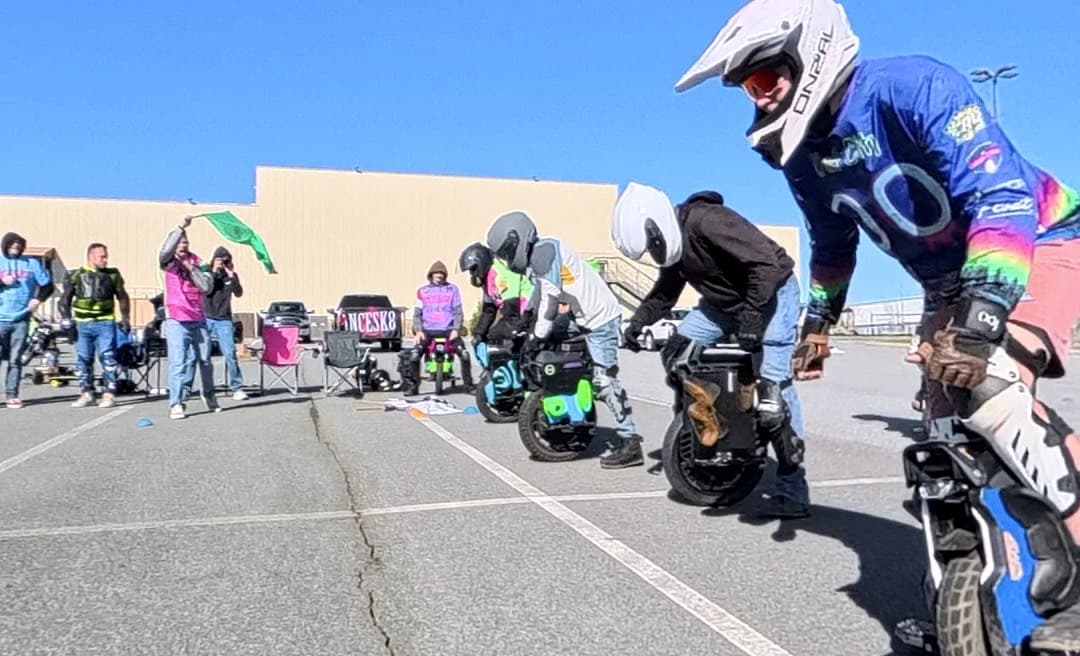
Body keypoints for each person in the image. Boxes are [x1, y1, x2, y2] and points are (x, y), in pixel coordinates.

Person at [673, 0, 1080, 647]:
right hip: (946, 281)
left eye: (763, 79)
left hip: (1040, 238)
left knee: (996, 384)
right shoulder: (805, 155)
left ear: (809, 52)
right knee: (945, 439)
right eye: (749, 89)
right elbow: (831, 242)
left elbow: (1000, 197)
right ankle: (967, 590)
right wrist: (818, 321)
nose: (759, 99)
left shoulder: (913, 87)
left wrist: (980, 321)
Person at [611, 182, 809, 516]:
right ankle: (701, 417)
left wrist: (751, 317)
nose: (654, 253)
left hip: (772, 295)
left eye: (652, 245)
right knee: (677, 350)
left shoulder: (707, 220)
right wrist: (638, 322)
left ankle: (793, 489)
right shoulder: (676, 248)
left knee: (774, 388)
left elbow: (766, 265)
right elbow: (666, 290)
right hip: (724, 304)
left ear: (656, 224)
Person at [486, 210, 645, 469]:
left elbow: (549, 299)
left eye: (507, 250)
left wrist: (537, 334)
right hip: (581, 316)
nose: (506, 257)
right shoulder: (539, 256)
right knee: (556, 355)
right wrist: (527, 317)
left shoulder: (544, 251)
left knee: (605, 380)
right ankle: (572, 399)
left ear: (517, 239)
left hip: (600, 319)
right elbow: (538, 291)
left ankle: (630, 442)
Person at [159, 216, 219, 419]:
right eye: (179, 241)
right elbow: (164, 251)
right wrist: (180, 227)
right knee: (179, 361)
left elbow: (206, 286)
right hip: (176, 317)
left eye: (185, 241)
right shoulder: (168, 262)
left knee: (204, 359)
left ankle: (209, 394)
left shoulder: (198, 262)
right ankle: (177, 402)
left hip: (198, 317)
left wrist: (190, 267)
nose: (183, 243)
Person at [59, 242, 131, 408]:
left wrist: (125, 318)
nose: (105, 260)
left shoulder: (113, 275)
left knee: (108, 357)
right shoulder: (75, 275)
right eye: (102, 257)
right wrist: (66, 320)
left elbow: (122, 296)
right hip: (82, 324)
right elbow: (64, 300)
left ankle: (109, 393)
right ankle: (86, 392)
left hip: (105, 322)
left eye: (106, 256)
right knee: (83, 358)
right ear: (90, 257)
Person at [398, 260, 475, 395]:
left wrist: (456, 329)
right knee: (414, 356)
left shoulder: (453, 289)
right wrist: (419, 331)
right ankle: (413, 387)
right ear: (431, 275)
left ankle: (469, 386)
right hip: (427, 330)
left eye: (441, 273)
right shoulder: (423, 291)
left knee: (464, 355)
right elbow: (417, 314)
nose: (439, 275)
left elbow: (458, 311)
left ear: (445, 275)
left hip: (449, 330)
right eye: (436, 273)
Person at [0, 232, 53, 408]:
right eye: (12, 247)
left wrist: (37, 300)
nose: (15, 250)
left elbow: (47, 285)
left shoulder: (31, 263)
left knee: (15, 359)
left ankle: (11, 394)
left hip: (21, 318)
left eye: (18, 247)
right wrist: (2, 281)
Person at [458, 242, 534, 345]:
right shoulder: (487, 281)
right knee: (490, 337)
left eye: (473, 269)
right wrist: (478, 333)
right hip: (514, 313)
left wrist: (495, 333)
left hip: (526, 310)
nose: (472, 274)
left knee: (496, 337)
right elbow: (489, 311)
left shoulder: (500, 273)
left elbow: (511, 309)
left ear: (481, 262)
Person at [204, 246, 248, 401]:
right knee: (204, 354)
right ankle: (206, 388)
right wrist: (215, 270)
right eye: (220, 260)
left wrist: (231, 274)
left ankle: (237, 387)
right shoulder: (207, 273)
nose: (223, 263)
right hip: (207, 317)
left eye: (226, 260)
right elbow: (207, 291)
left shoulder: (230, 276)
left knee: (230, 353)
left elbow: (238, 293)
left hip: (224, 319)